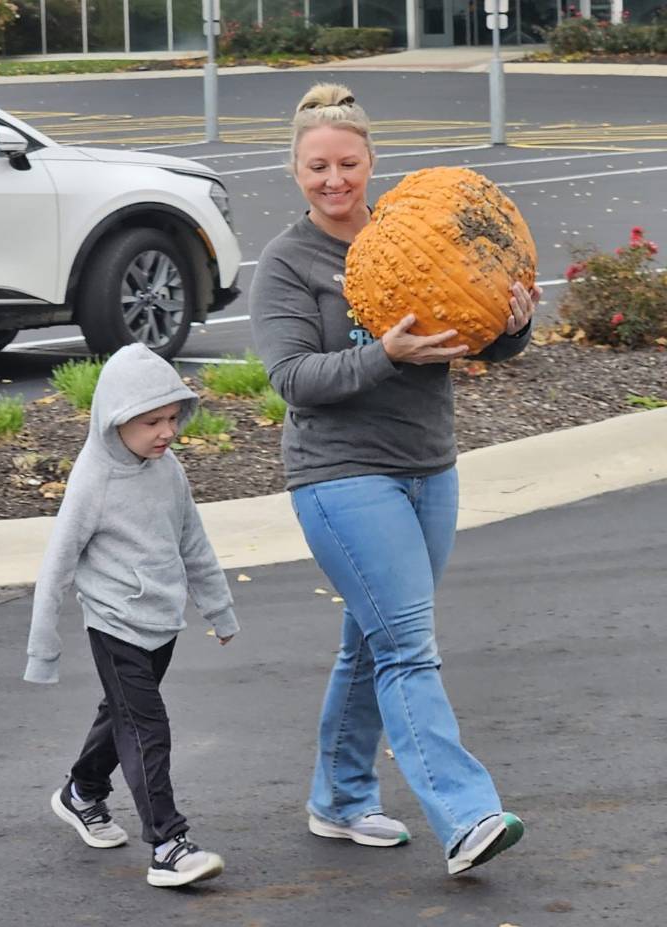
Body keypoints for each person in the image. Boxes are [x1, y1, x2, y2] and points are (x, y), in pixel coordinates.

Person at [249, 83, 540, 875]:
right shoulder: (286, 263)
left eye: (347, 162)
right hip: (339, 477)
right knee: (409, 647)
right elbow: (294, 377)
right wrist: (386, 352)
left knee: (371, 646)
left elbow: (472, 336)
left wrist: (512, 326)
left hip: (428, 466)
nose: (333, 178)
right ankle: (466, 812)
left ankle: (339, 801)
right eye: (317, 166)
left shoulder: (418, 233)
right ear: (295, 170)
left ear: (371, 161)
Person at [23, 343, 239, 889]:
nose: (166, 432)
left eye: (172, 418)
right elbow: (58, 563)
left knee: (119, 718)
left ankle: (81, 791)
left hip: (161, 621)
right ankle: (168, 843)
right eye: (151, 422)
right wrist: (42, 649)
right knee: (147, 727)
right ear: (116, 420)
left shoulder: (168, 470)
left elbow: (193, 541)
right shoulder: (93, 481)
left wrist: (218, 607)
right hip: (114, 622)